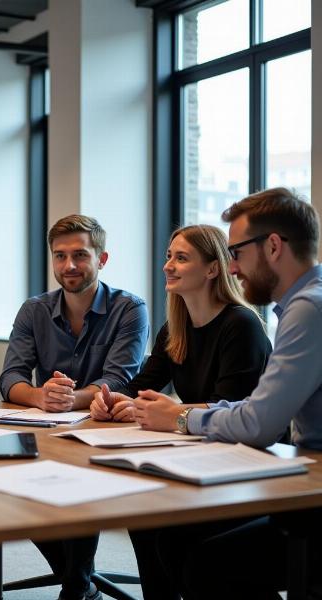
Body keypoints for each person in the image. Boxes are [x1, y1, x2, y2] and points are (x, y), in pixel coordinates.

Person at [132, 188, 322, 599]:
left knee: (206, 564)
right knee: (170, 536)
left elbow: (258, 423)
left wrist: (180, 417)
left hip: (307, 494)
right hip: (302, 478)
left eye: (236, 252)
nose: (233, 266)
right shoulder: (303, 304)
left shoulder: (306, 310)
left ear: (273, 246)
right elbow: (256, 411)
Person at [89, 224, 271, 600]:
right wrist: (109, 399)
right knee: (144, 517)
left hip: (247, 465)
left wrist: (171, 412)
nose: (168, 266)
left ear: (212, 269)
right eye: (169, 256)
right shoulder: (176, 328)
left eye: (181, 258)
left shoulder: (242, 325)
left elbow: (236, 406)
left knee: (172, 534)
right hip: (198, 453)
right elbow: (141, 385)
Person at [0, 214, 149, 600]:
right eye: (59, 256)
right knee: (4, 480)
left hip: (107, 431)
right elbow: (10, 376)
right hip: (46, 430)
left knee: (84, 476)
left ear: (102, 258)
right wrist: (39, 396)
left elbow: (120, 380)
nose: (69, 266)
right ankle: (76, 575)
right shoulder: (34, 310)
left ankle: (77, 584)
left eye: (80, 255)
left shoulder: (130, 309)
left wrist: (71, 397)